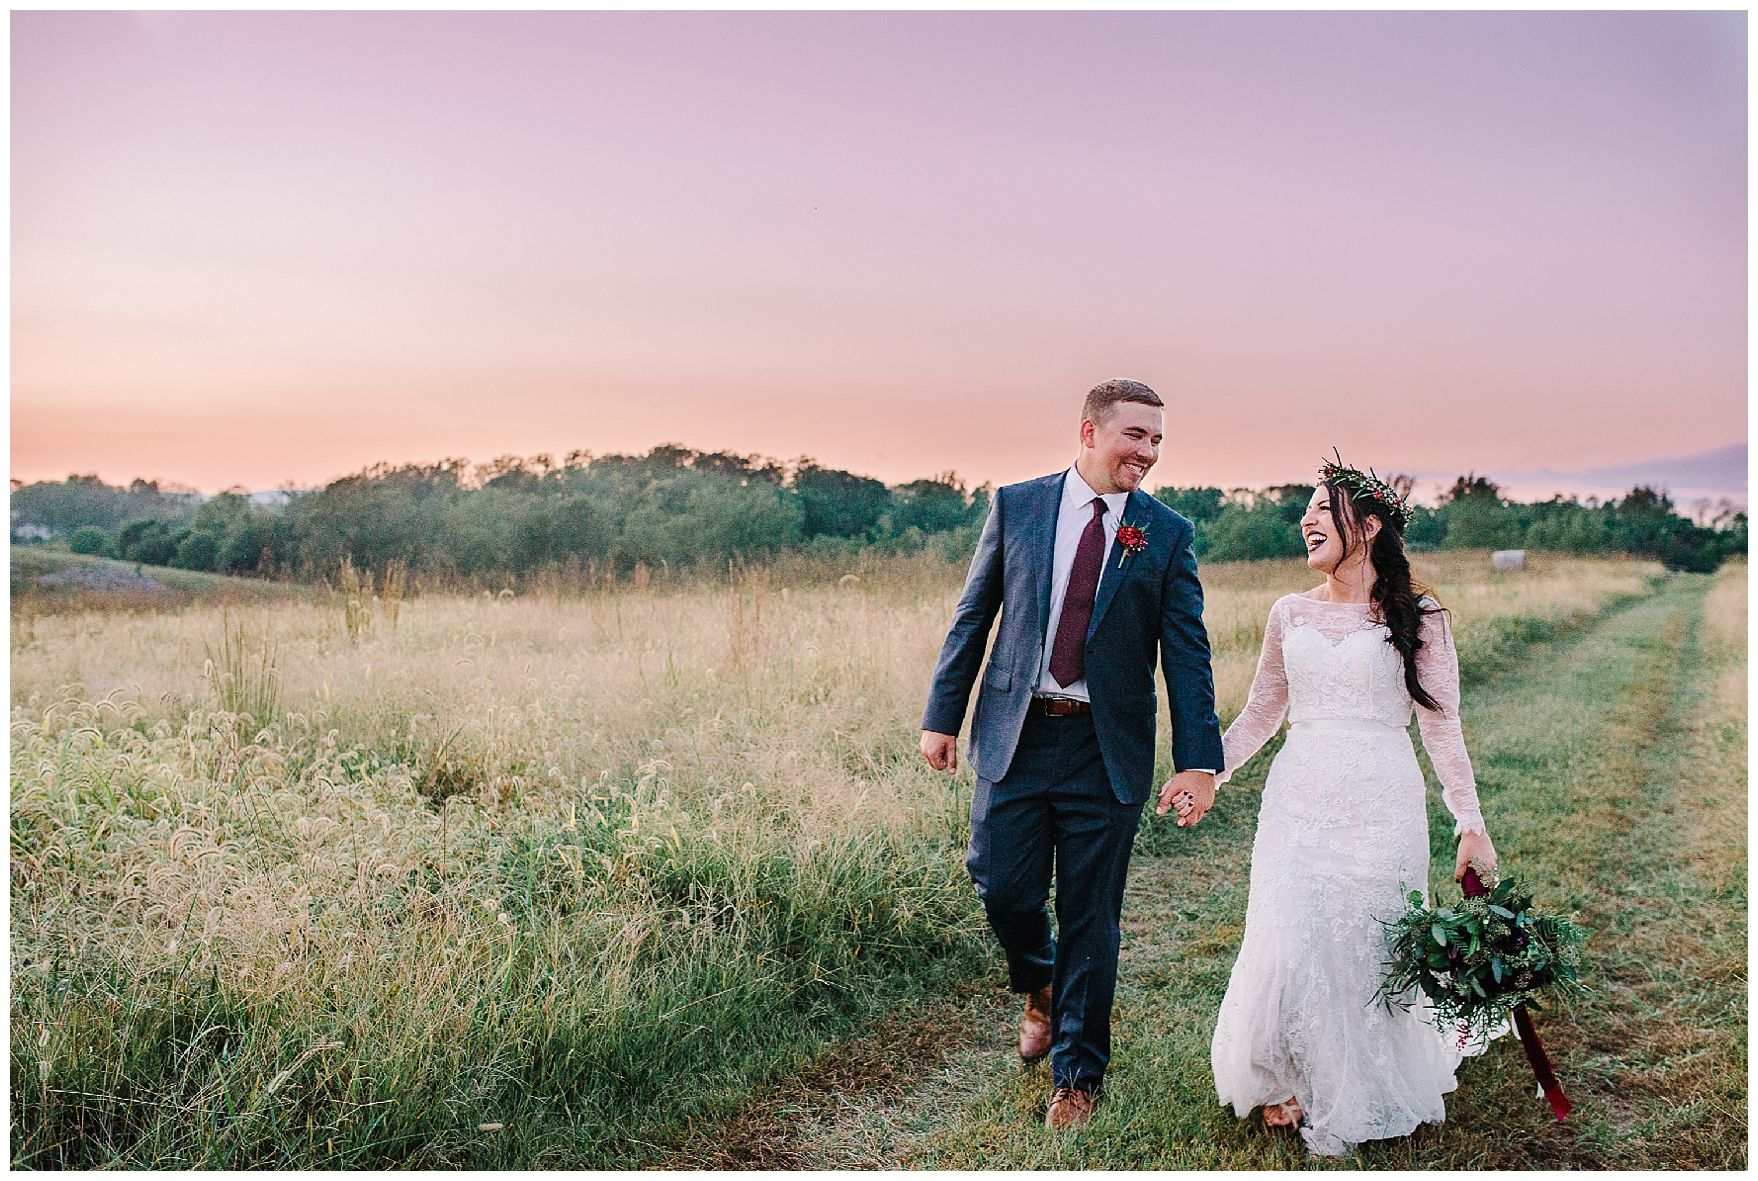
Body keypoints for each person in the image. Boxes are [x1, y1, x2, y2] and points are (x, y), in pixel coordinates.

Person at [920, 378, 1224, 1130]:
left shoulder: (1165, 533)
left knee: (1093, 913)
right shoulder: (1017, 505)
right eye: (1135, 436)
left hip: (1105, 748)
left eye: (1157, 439)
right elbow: (974, 616)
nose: (1148, 453)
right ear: (1089, 432)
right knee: (1000, 882)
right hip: (1016, 735)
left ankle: (1078, 1075)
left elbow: (1188, 657)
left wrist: (1198, 759)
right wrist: (942, 715)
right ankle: (1040, 982)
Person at [1208, 454, 1498, 1157]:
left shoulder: (1418, 615)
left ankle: (1359, 1078)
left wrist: (1470, 823)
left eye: (1320, 508)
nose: (1305, 520)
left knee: (1366, 941)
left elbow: (1441, 724)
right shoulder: (1288, 612)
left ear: (1366, 525)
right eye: (1304, 509)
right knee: (1291, 931)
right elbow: (1259, 713)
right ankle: (1286, 1070)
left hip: (1380, 798)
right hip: (1299, 795)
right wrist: (1206, 772)